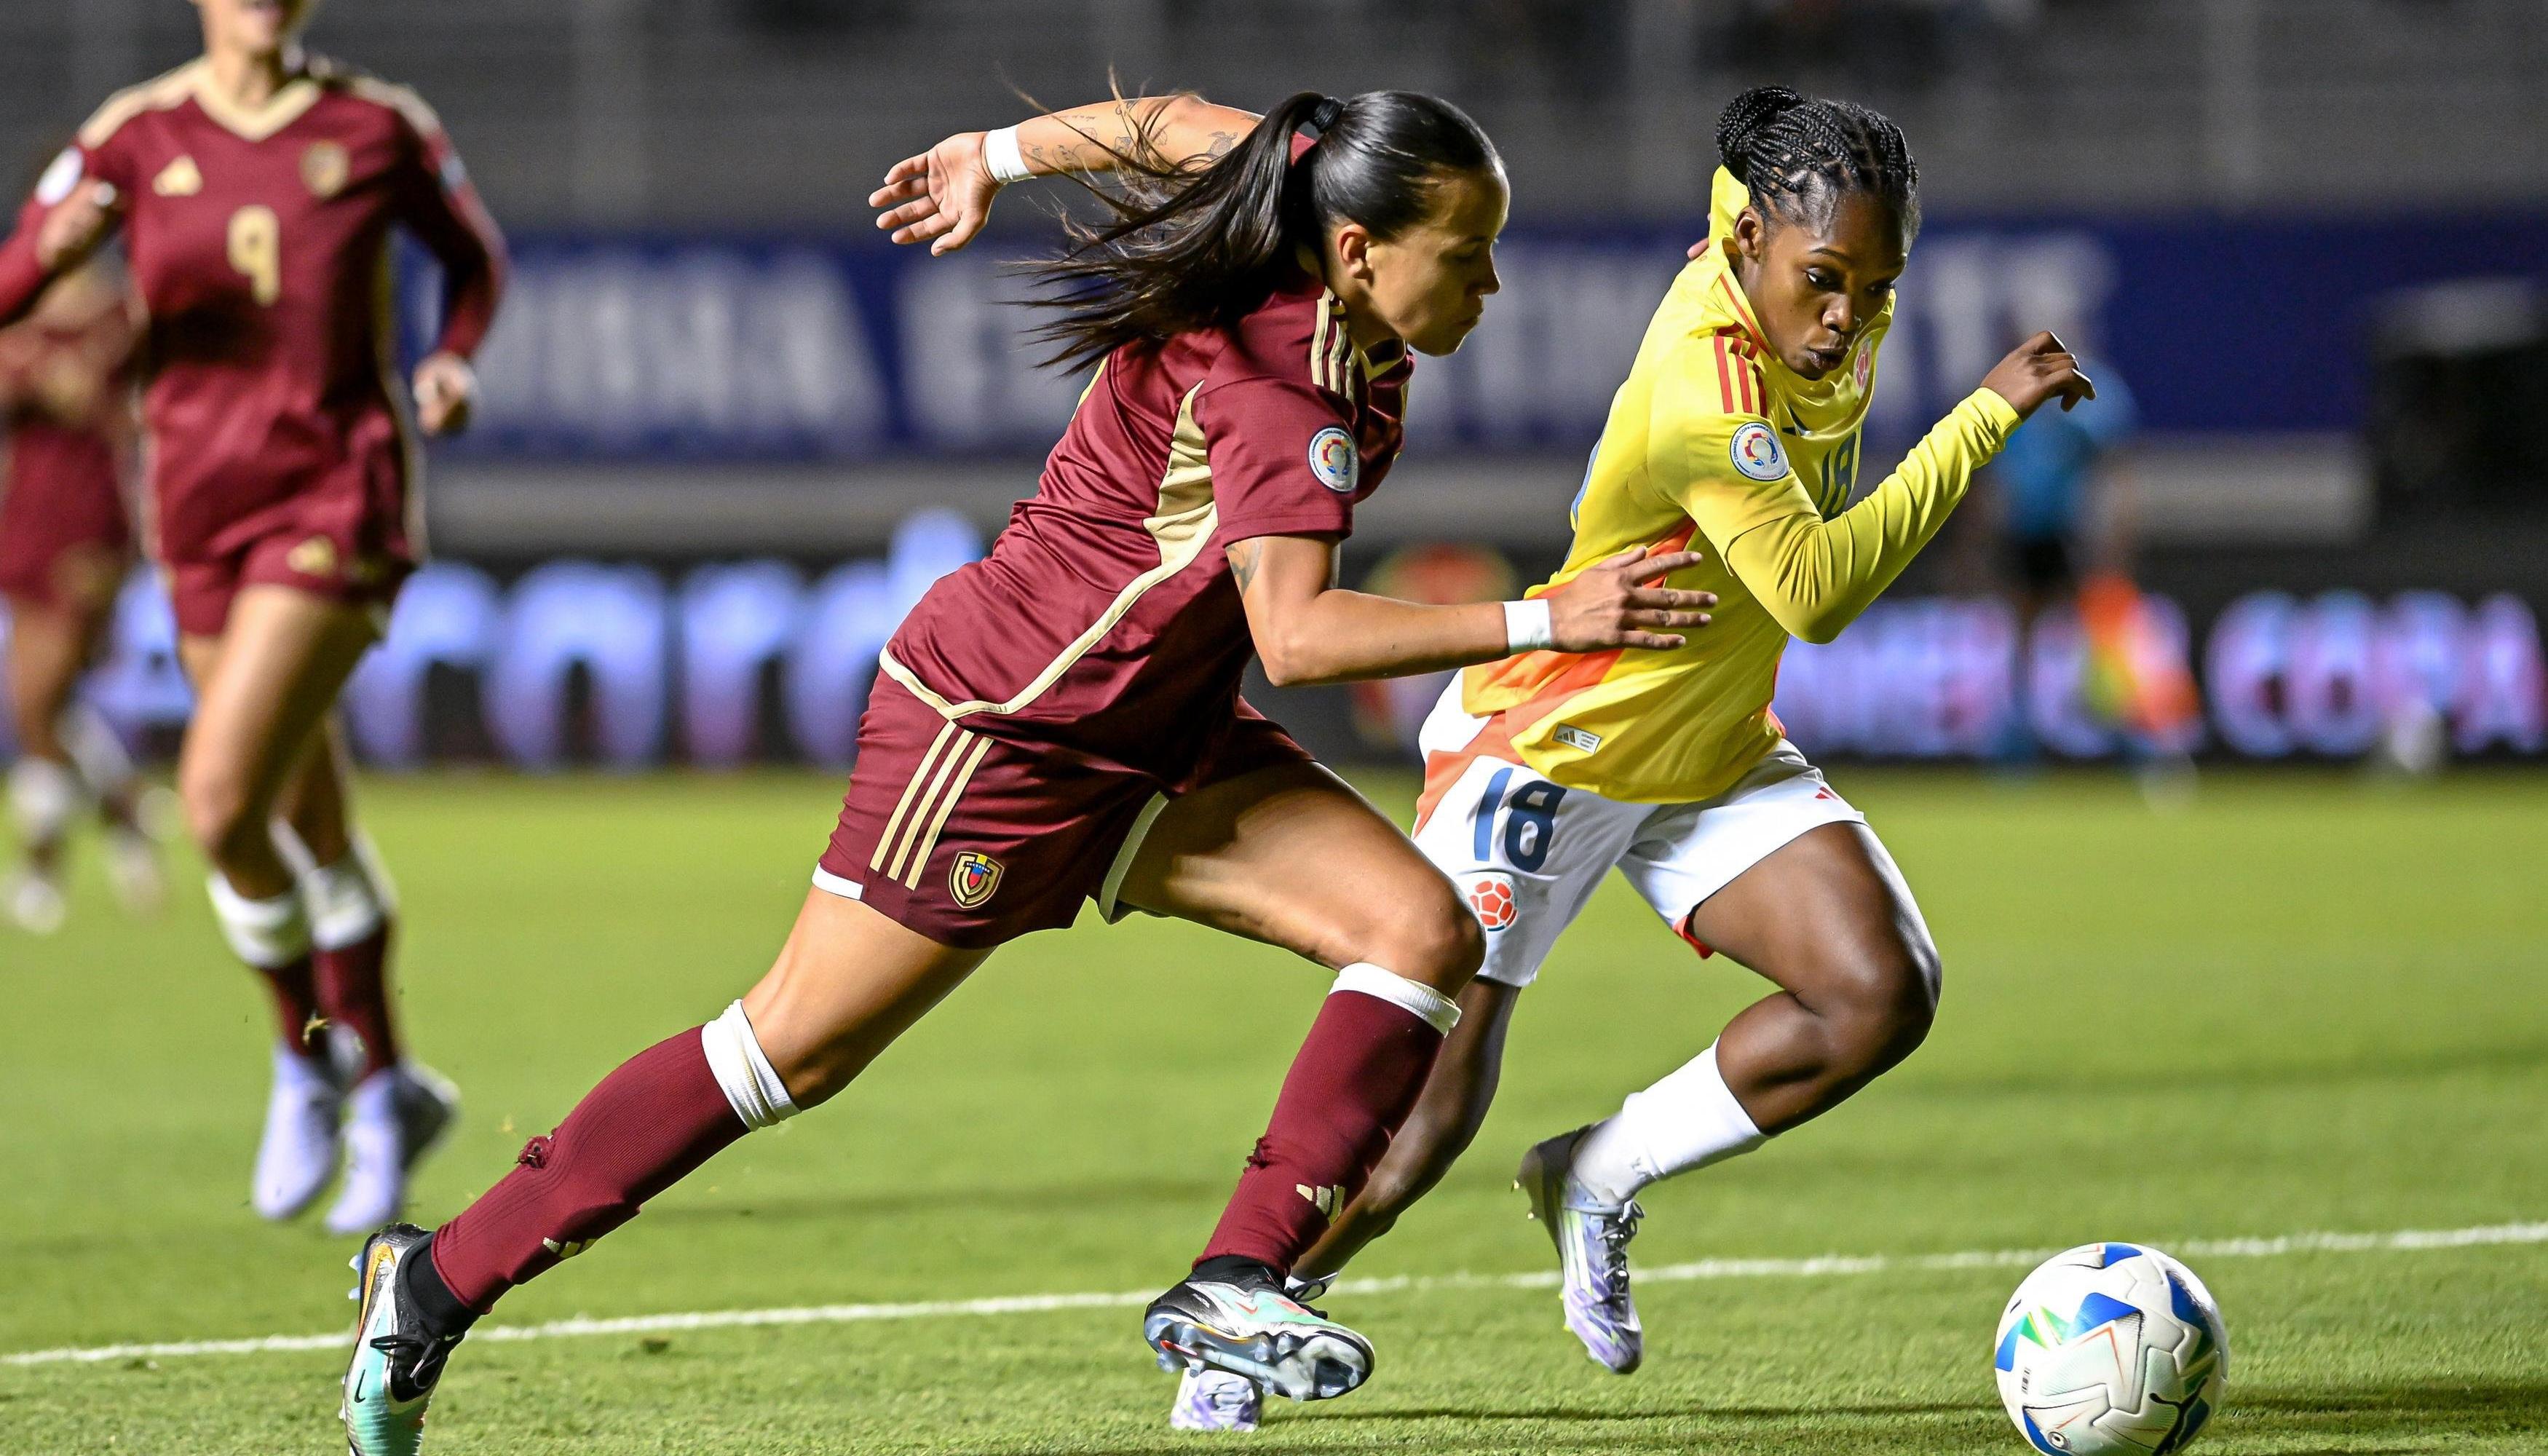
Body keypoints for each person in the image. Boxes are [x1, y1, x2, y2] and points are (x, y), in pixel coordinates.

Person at [334, 87, 1718, 1455]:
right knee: (783, 1053)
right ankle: (438, 1277)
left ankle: (1237, 1278)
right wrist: (1550, 617)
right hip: (1001, 730)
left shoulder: (1304, 186)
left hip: (1154, 730)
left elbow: (1175, 120)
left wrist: (989, 155)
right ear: (1359, 250)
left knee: (1419, 931)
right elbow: (1297, 639)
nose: (1488, 283)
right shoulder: (1282, 377)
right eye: (1466, 256)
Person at [1155, 87, 2093, 1431]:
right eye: (1825, 282)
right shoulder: (1703, 382)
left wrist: (1865, 310)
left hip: (1706, 741)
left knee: (1876, 990)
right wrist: (1984, 416)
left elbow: (1825, 343)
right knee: (1414, 1132)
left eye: (1876, 288)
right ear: (1748, 237)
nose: (1846, 316)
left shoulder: (1820, 287)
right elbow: (1814, 593)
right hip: (1559, 739)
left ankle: (1597, 1173)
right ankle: (1233, 1340)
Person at [0, 0, 505, 1233]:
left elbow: (474, 259)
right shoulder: (135, 133)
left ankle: (306, 1061)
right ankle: (390, 1085)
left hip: (335, 495)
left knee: (220, 799)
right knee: (303, 815)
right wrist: (51, 257)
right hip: (196, 513)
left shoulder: (377, 127)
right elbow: (11, 281)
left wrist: (450, 358)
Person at [0, 256, 163, 933]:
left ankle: (41, 866)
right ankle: (126, 814)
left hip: (89, 529)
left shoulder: (123, 319)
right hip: (22, 526)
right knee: (51, 709)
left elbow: (151, 415)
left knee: (35, 700)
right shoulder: (16, 316)